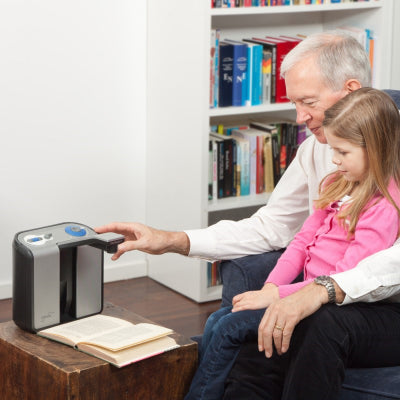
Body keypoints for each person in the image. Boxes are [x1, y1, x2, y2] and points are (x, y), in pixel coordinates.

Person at [95, 32, 400, 398]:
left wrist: (316, 291)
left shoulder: (386, 176)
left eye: (308, 102)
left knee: (282, 326)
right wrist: (173, 240)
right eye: (293, 103)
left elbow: (381, 262)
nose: (300, 118)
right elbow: (276, 227)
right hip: (317, 290)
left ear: (351, 90)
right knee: (248, 339)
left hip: (378, 305)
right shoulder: (322, 157)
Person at [182, 87, 400, 400]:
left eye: (343, 152)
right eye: (332, 151)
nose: (335, 160)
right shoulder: (336, 183)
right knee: (226, 324)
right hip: (302, 291)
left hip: (336, 301)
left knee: (231, 327)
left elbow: (345, 274)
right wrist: (271, 288)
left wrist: (281, 295)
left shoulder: (383, 207)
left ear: (376, 149)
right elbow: (301, 242)